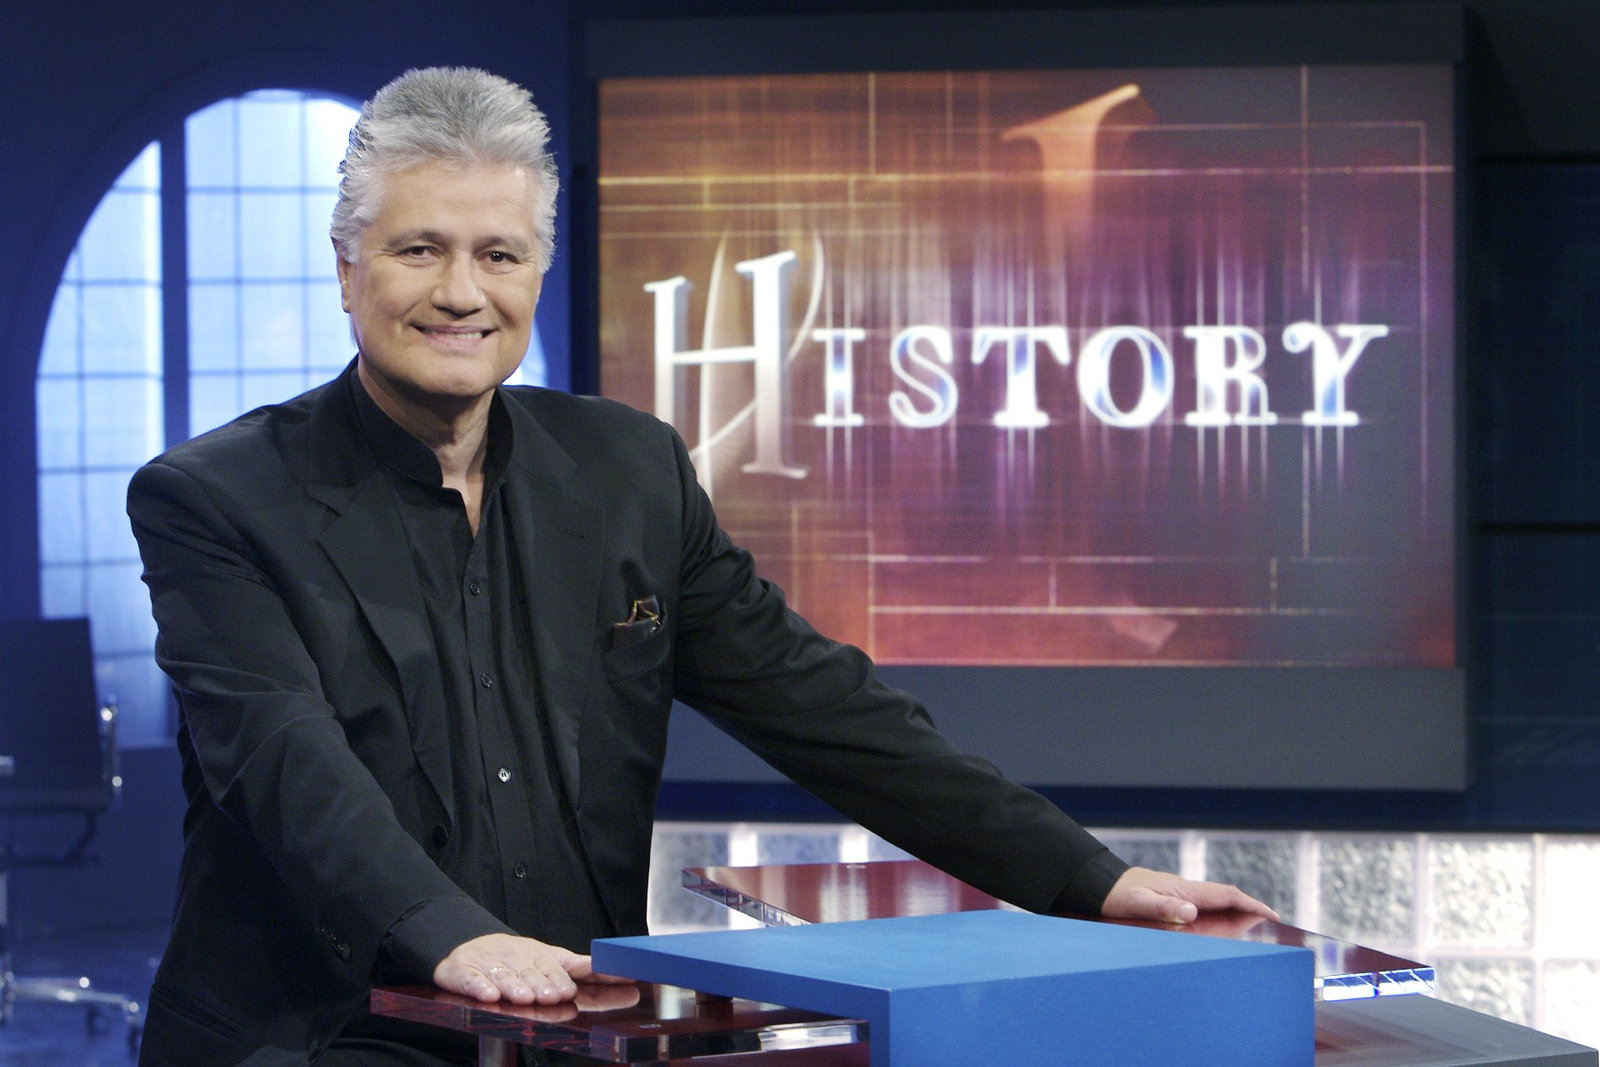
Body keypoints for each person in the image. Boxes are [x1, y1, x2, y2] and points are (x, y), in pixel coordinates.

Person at [127, 66, 1274, 1065]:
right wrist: (450, 933)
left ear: (536, 272)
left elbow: (819, 705)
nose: (461, 292)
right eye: (418, 249)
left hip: (567, 1027)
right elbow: (285, 761)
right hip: (320, 1035)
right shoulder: (214, 499)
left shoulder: (628, 470)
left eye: (498, 254)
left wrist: (1082, 876)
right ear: (346, 270)